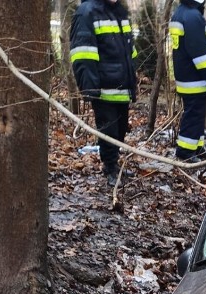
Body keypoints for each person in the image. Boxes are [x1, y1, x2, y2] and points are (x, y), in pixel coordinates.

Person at [70, 0, 138, 187]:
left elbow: (129, 50)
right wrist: (90, 88)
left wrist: (132, 78)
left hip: (122, 85)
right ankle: (109, 167)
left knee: (121, 128)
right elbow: (82, 54)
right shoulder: (87, 12)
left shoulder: (120, 12)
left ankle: (114, 163)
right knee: (108, 130)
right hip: (104, 87)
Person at [170, 0, 206, 161]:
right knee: (193, 115)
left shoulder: (181, 13)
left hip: (186, 76)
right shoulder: (193, 17)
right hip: (195, 78)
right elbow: (200, 54)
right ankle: (185, 152)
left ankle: (196, 147)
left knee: (197, 114)